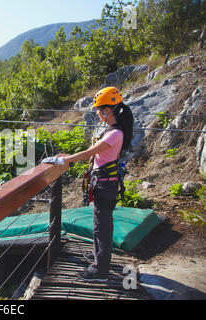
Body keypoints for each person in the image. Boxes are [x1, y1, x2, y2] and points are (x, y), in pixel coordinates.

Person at [44, 87, 134, 282]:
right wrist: (66, 157)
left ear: (109, 110)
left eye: (100, 109)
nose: (98, 113)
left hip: (105, 185)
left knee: (101, 227)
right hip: (103, 184)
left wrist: (63, 161)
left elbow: (88, 153)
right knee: (101, 225)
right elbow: (92, 152)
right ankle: (99, 259)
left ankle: (100, 270)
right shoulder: (113, 131)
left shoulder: (114, 134)